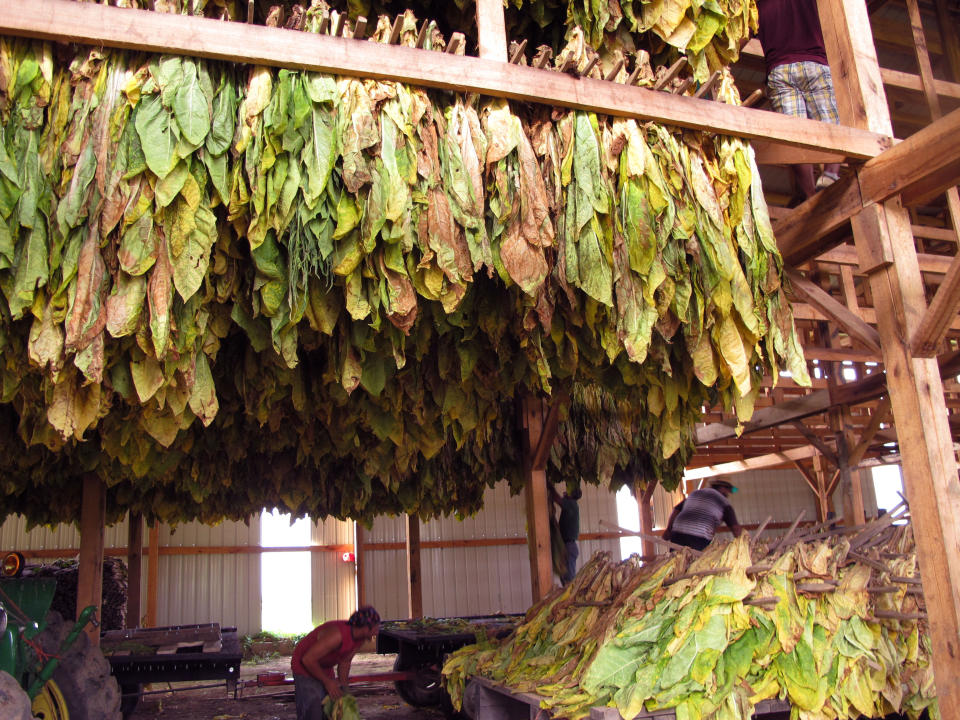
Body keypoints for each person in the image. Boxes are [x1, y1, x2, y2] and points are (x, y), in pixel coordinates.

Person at [757, 0, 842, 199]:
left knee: (793, 136)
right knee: (829, 121)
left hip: (780, 69)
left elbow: (742, 33)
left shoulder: (759, 4)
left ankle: (810, 194)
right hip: (815, 62)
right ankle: (830, 174)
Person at [291, 605, 381, 719]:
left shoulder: (360, 638)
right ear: (365, 628)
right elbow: (308, 659)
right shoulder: (337, 635)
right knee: (313, 708)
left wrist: (344, 687)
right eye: (376, 629)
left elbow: (345, 662)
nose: (377, 633)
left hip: (323, 666)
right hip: (304, 665)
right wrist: (327, 682)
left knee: (329, 707)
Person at [663, 480, 743, 551]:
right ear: (722, 488)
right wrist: (743, 545)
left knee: (675, 562)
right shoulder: (724, 503)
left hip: (677, 533)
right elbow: (735, 529)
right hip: (698, 537)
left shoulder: (695, 493)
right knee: (696, 564)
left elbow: (676, 510)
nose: (728, 494)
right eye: (728, 491)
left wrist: (669, 530)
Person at [549, 482, 582, 585]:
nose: (565, 493)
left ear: (571, 494)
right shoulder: (571, 506)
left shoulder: (571, 504)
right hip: (567, 546)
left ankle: (570, 599)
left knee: (568, 580)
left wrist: (550, 487)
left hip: (569, 546)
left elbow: (557, 499)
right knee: (565, 577)